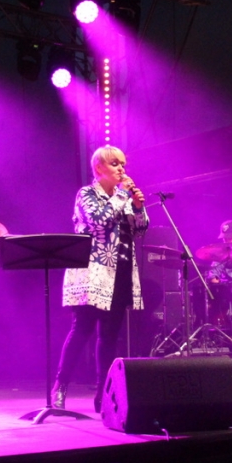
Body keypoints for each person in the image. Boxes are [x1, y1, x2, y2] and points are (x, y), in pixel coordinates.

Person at [53, 145, 148, 412]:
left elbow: (141, 229)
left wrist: (138, 207)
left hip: (120, 271)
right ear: (99, 168)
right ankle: (61, 385)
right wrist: (123, 196)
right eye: (115, 164)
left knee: (109, 336)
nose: (122, 169)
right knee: (82, 330)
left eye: (123, 164)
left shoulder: (124, 197)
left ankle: (102, 393)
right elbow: (98, 221)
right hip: (93, 272)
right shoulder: (87, 194)